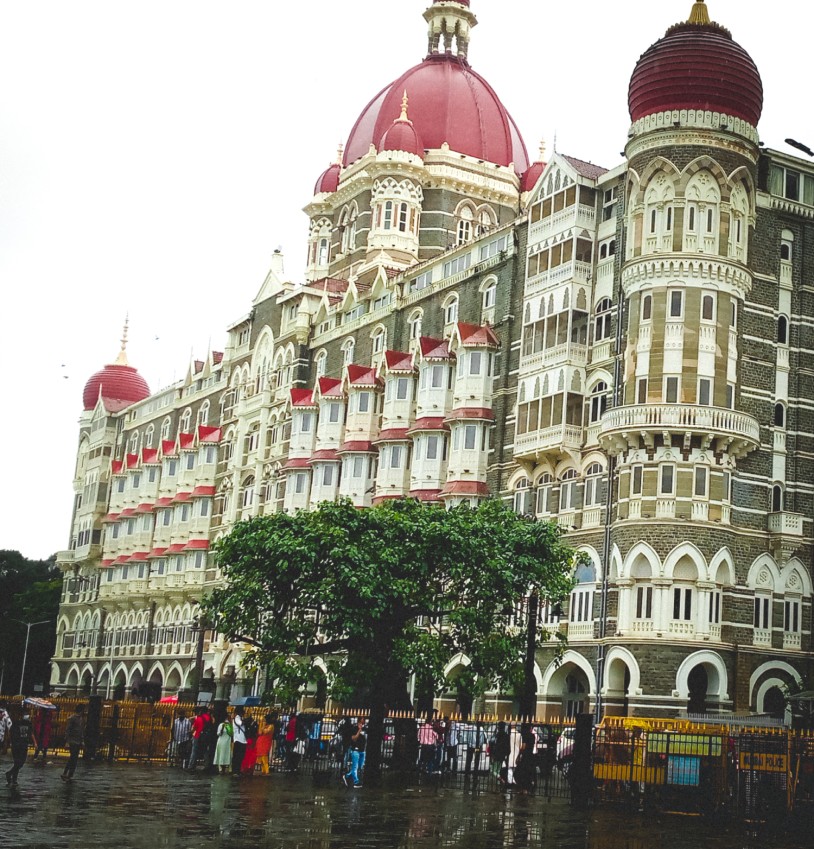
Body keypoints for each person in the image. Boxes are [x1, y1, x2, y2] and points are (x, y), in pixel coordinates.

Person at [5, 712, 33, 788]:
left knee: (21, 762)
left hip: (24, 745)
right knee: (17, 762)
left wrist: (34, 742)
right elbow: (11, 733)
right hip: (16, 745)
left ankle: (10, 774)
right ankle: (14, 779)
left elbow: (30, 733)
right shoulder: (16, 723)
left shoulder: (29, 724)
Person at [61, 705, 85, 782]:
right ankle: (67, 773)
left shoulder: (81, 719)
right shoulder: (72, 718)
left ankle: (69, 774)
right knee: (73, 757)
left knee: (74, 758)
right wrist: (67, 741)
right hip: (72, 740)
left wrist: (82, 741)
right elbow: (68, 730)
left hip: (77, 740)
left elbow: (81, 731)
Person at [513, 723, 537, 794]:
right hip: (530, 755)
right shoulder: (532, 736)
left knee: (518, 773)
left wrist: (519, 755)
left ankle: (523, 788)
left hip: (525, 756)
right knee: (529, 773)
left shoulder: (524, 735)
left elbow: (523, 747)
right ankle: (527, 788)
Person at [342, 719, 366, 788]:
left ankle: (347, 776)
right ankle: (356, 782)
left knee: (360, 766)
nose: (361, 724)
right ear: (358, 723)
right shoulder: (354, 729)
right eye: (360, 723)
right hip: (355, 750)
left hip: (362, 750)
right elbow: (354, 738)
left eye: (362, 723)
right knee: (355, 766)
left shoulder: (364, 730)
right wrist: (359, 731)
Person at [489, 721, 510, 786]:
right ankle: (498, 783)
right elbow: (508, 747)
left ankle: (501, 780)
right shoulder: (506, 735)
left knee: (493, 771)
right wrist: (506, 754)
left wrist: (492, 753)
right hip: (502, 755)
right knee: (498, 770)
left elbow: (492, 743)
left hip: (496, 754)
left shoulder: (497, 735)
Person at [231, 708, 247, 775]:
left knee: (240, 756)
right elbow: (240, 723)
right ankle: (235, 771)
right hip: (238, 739)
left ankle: (237, 770)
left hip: (242, 739)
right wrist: (246, 720)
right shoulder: (237, 718)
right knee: (237, 756)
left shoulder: (240, 718)